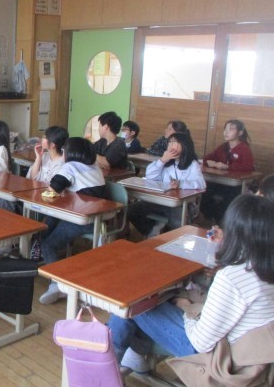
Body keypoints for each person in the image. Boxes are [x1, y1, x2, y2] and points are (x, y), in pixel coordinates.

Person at [109, 194, 274, 377]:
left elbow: (200, 343)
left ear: (235, 233)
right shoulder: (262, 267)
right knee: (156, 297)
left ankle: (105, 368)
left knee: (132, 302)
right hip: (252, 355)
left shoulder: (232, 278)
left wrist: (187, 308)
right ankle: (133, 357)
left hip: (217, 358)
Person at [39, 137, 106, 305]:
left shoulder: (70, 166)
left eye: (64, 151)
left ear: (70, 153)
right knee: (47, 224)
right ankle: (48, 261)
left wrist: (56, 189)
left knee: (48, 244)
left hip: (82, 220)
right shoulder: (94, 166)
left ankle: (57, 284)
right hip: (99, 219)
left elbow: (51, 191)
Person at [128, 132, 206, 237]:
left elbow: (201, 184)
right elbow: (150, 176)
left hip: (180, 204)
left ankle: (173, 239)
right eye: (169, 142)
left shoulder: (192, 164)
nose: (170, 145)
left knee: (177, 222)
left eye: (174, 142)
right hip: (160, 200)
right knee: (132, 210)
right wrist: (162, 161)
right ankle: (152, 232)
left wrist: (181, 184)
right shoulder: (165, 162)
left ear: (184, 145)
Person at [200, 119, 254, 223]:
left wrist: (227, 167)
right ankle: (208, 218)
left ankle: (222, 221)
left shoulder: (244, 148)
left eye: (231, 129)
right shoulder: (223, 147)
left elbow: (248, 167)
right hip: (220, 182)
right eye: (225, 129)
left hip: (235, 186)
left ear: (240, 133)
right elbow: (207, 158)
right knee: (204, 191)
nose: (226, 132)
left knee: (229, 197)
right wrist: (212, 163)